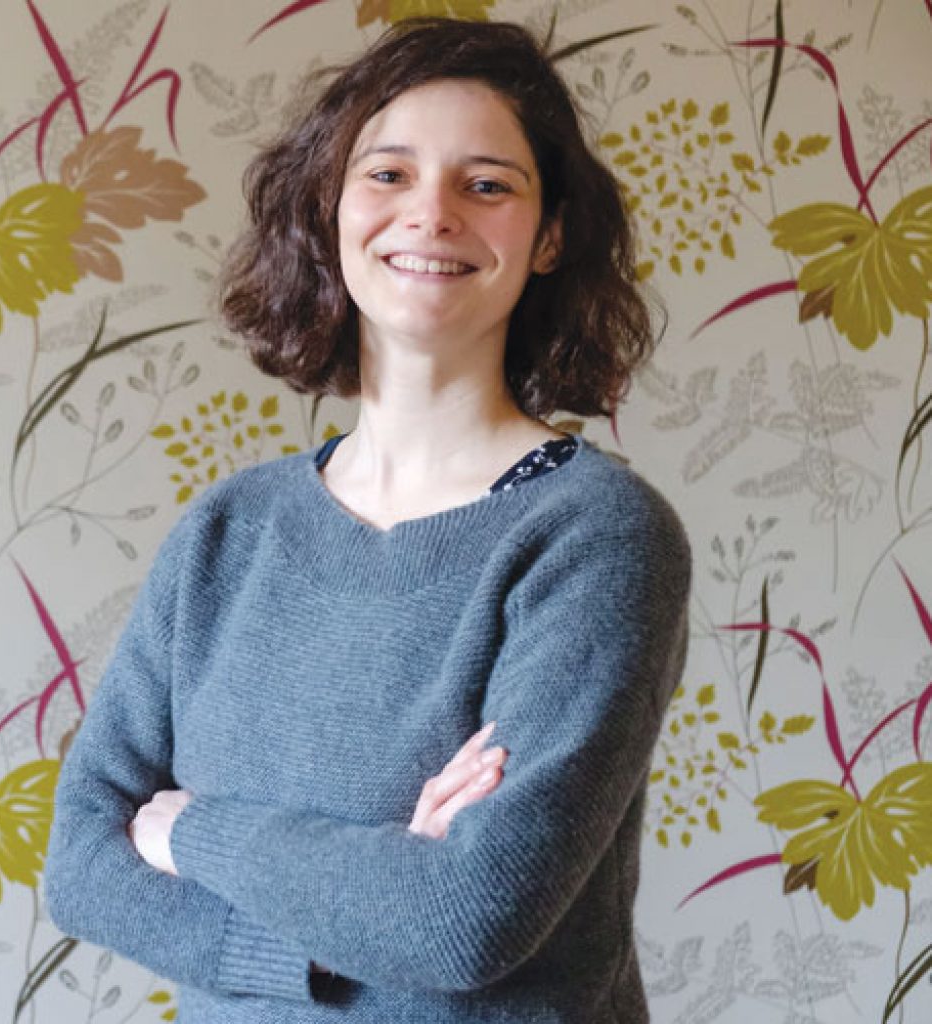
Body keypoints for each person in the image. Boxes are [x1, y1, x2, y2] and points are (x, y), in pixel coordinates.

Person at [43, 16, 692, 1024]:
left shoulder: (596, 536)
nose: (430, 213)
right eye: (388, 174)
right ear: (330, 209)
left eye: (487, 185)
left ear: (550, 235)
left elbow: (460, 919)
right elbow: (82, 866)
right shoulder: (227, 531)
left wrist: (189, 831)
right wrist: (358, 900)